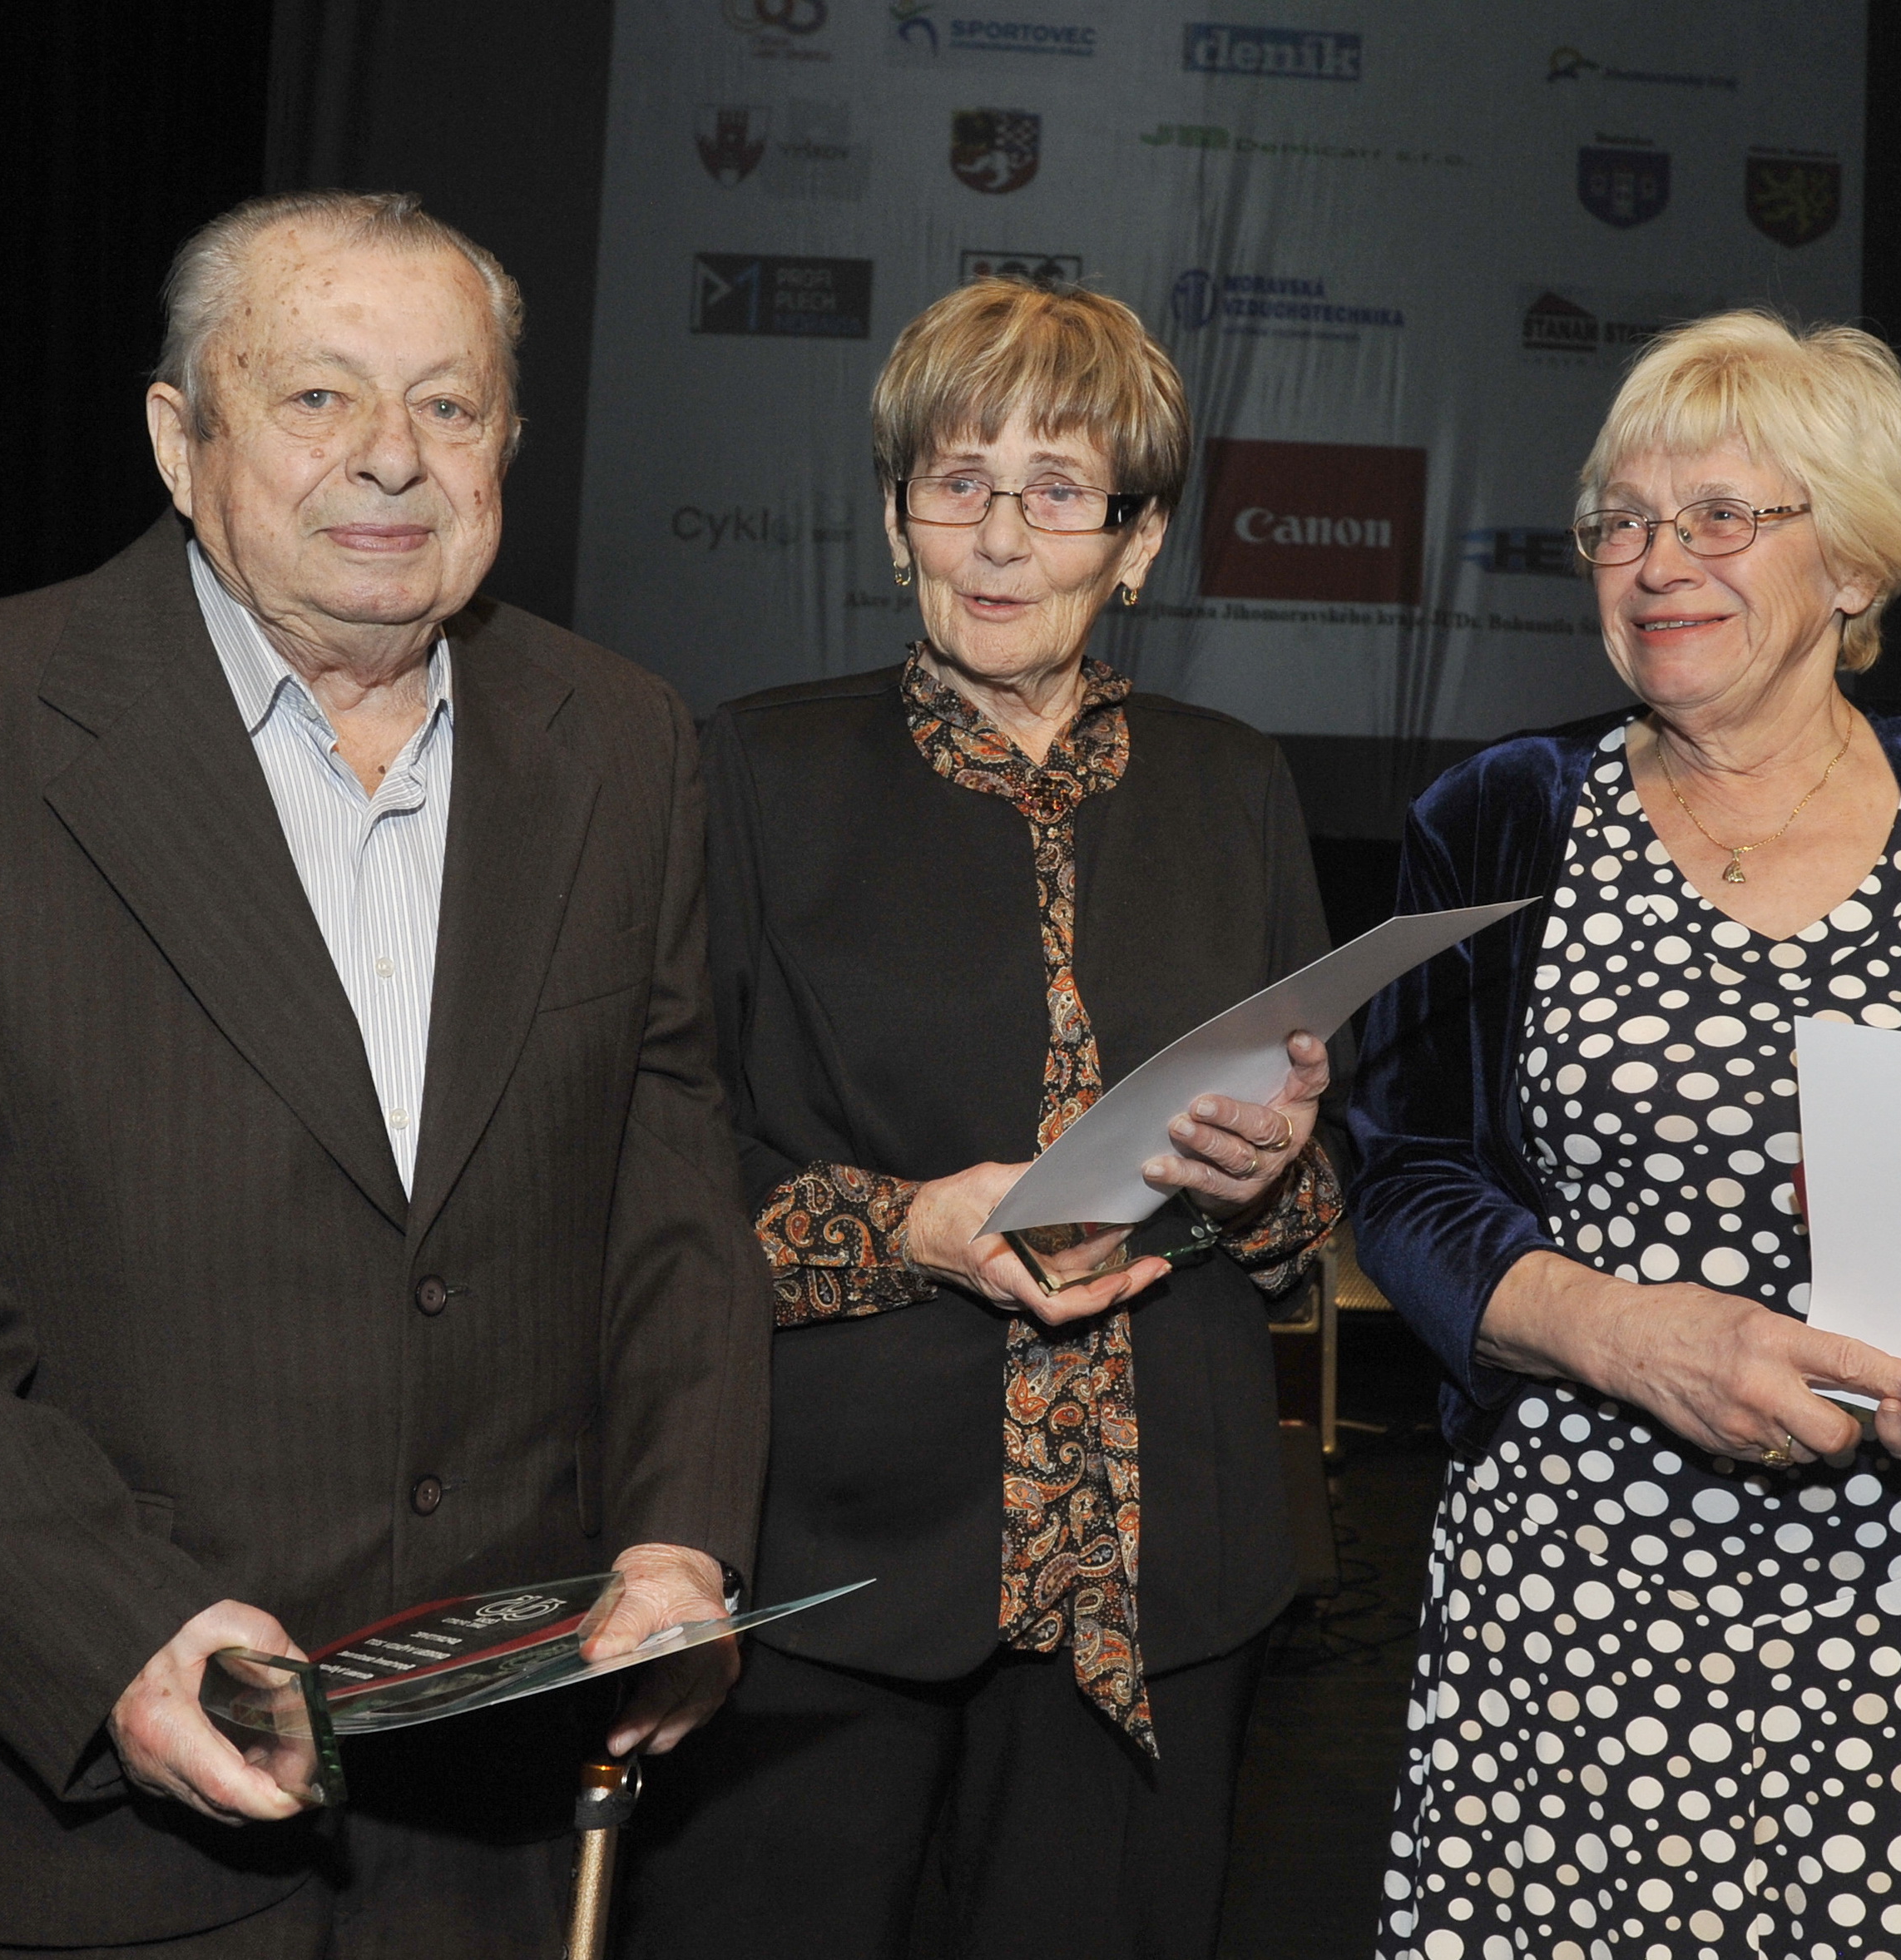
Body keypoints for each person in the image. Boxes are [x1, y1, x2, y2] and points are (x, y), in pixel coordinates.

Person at [0, 191, 771, 1958]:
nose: (391, 457)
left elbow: (668, 1202)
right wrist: (114, 1629)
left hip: (503, 1822)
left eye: (448, 404)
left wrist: (678, 1546)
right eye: (316, 396)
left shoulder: (622, 738)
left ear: (509, 442)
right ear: (176, 434)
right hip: (98, 1827)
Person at [1350, 311, 1901, 1960]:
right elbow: (1405, 1177)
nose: (1659, 561)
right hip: (1578, 1592)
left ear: (1850, 564)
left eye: (1720, 515)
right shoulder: (1495, 816)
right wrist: (1625, 1333)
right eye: (1622, 522)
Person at [623, 275, 1342, 1958]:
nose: (1003, 538)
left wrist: (1278, 1175)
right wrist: (910, 1228)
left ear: (1137, 541)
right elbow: (662, 1162)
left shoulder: (1236, 782)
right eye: (960, 481)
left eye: (1059, 491)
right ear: (896, 520)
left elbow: (1316, 1201)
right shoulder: (752, 772)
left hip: (1169, 1577)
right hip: (832, 1569)